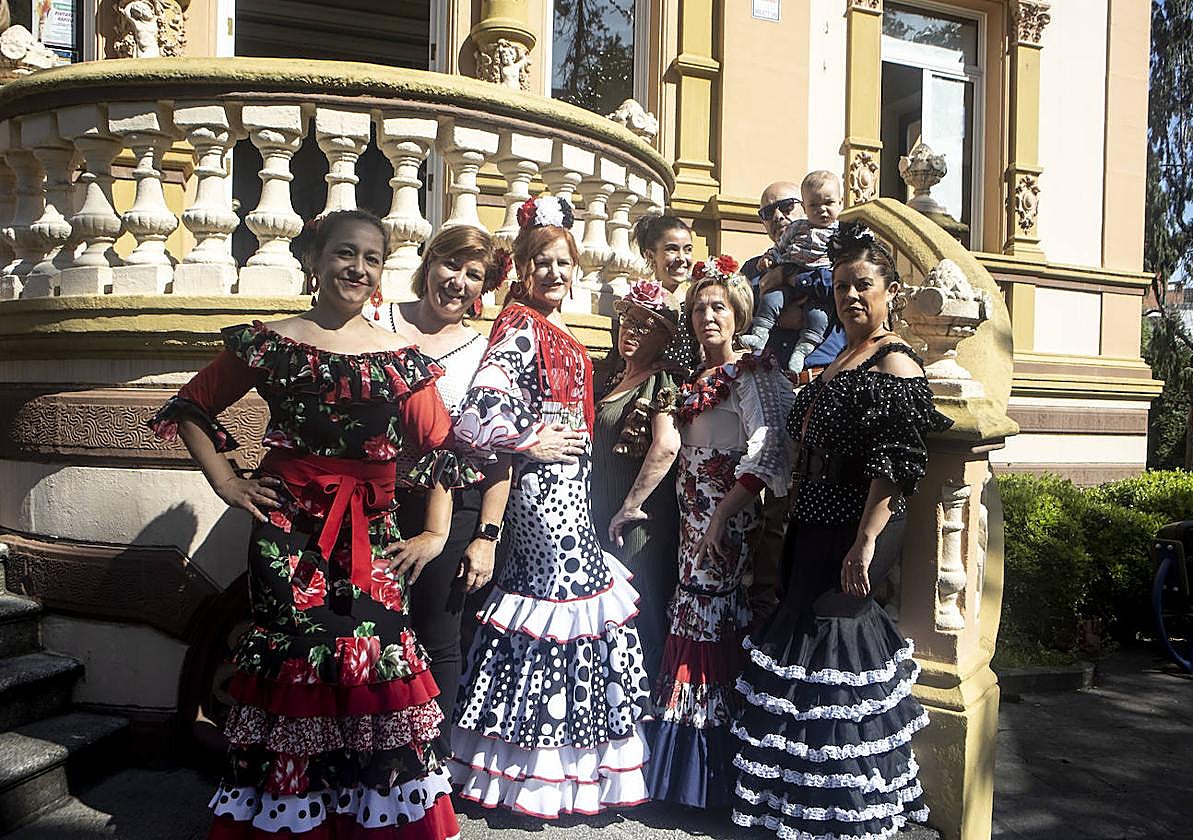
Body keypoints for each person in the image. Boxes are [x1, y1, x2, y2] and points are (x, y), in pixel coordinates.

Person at [148, 210, 463, 839]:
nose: (358, 269)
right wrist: (227, 482)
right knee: (296, 671)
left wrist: (435, 533)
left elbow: (441, 449)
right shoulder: (272, 343)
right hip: (288, 541)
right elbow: (190, 405)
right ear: (313, 257)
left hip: (371, 544)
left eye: (372, 258)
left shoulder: (399, 356)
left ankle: (369, 821)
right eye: (346, 253)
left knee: (371, 668)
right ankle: (291, 821)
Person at [730, 221, 953, 840]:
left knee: (838, 643)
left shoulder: (897, 362)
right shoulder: (839, 358)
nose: (851, 297)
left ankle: (850, 804)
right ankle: (801, 800)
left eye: (863, 286)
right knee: (804, 638)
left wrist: (867, 542)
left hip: (858, 524)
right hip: (813, 517)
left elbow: (898, 463)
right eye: (842, 286)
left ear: (889, 294)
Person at [450, 196, 652, 818]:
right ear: (522, 266)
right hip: (544, 494)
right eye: (543, 262)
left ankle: (546, 768)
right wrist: (528, 439)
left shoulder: (553, 327)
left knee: (565, 612)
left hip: (570, 488)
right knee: (556, 612)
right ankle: (535, 770)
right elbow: (475, 417)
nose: (556, 274)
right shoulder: (518, 322)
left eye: (564, 263)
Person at [645, 256, 795, 808]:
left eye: (719, 307)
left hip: (724, 518)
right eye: (698, 308)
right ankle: (687, 767)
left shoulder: (754, 373)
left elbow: (769, 449)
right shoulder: (696, 378)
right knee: (695, 609)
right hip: (691, 516)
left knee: (707, 611)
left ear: (738, 313)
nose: (707, 316)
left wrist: (723, 515)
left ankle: (706, 771)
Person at [374, 224, 521, 721]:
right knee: (369, 632)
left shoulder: (484, 354)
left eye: (473, 274)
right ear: (428, 263)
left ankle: (428, 774)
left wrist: (487, 536)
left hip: (454, 508)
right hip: (372, 503)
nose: (458, 281)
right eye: (450, 265)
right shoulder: (376, 322)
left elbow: (499, 454)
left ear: (484, 288)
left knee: (439, 639)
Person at [592, 278, 684, 684]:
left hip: (635, 524)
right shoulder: (616, 377)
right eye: (628, 321)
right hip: (602, 514)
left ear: (664, 338)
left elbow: (666, 445)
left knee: (637, 610)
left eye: (645, 326)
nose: (631, 332)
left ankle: (641, 704)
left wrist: (631, 505)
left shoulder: (660, 382)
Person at [741, 171, 843, 375]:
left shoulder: (839, 245)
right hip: (769, 378)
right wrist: (778, 317)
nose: (778, 217)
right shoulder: (752, 269)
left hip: (822, 375)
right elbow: (739, 317)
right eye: (768, 213)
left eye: (787, 206)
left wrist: (790, 277)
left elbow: (839, 286)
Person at [630, 213, 700, 375]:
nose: (682, 258)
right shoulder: (637, 304)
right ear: (650, 255)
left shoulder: (697, 304)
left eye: (688, 249)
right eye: (672, 249)